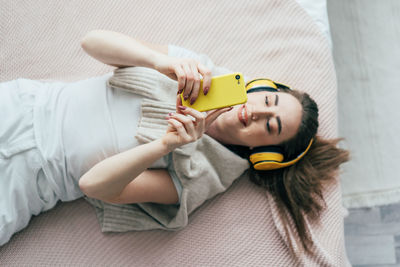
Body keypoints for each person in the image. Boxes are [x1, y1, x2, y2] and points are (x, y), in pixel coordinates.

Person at [0, 30, 349, 257]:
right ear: (261, 87)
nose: (255, 112)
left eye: (269, 126)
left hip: (28, 182)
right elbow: (91, 42)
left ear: (265, 154)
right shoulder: (197, 70)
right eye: (268, 101)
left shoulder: (201, 178)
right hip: (24, 105)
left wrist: (165, 145)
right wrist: (160, 61)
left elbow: (92, 184)